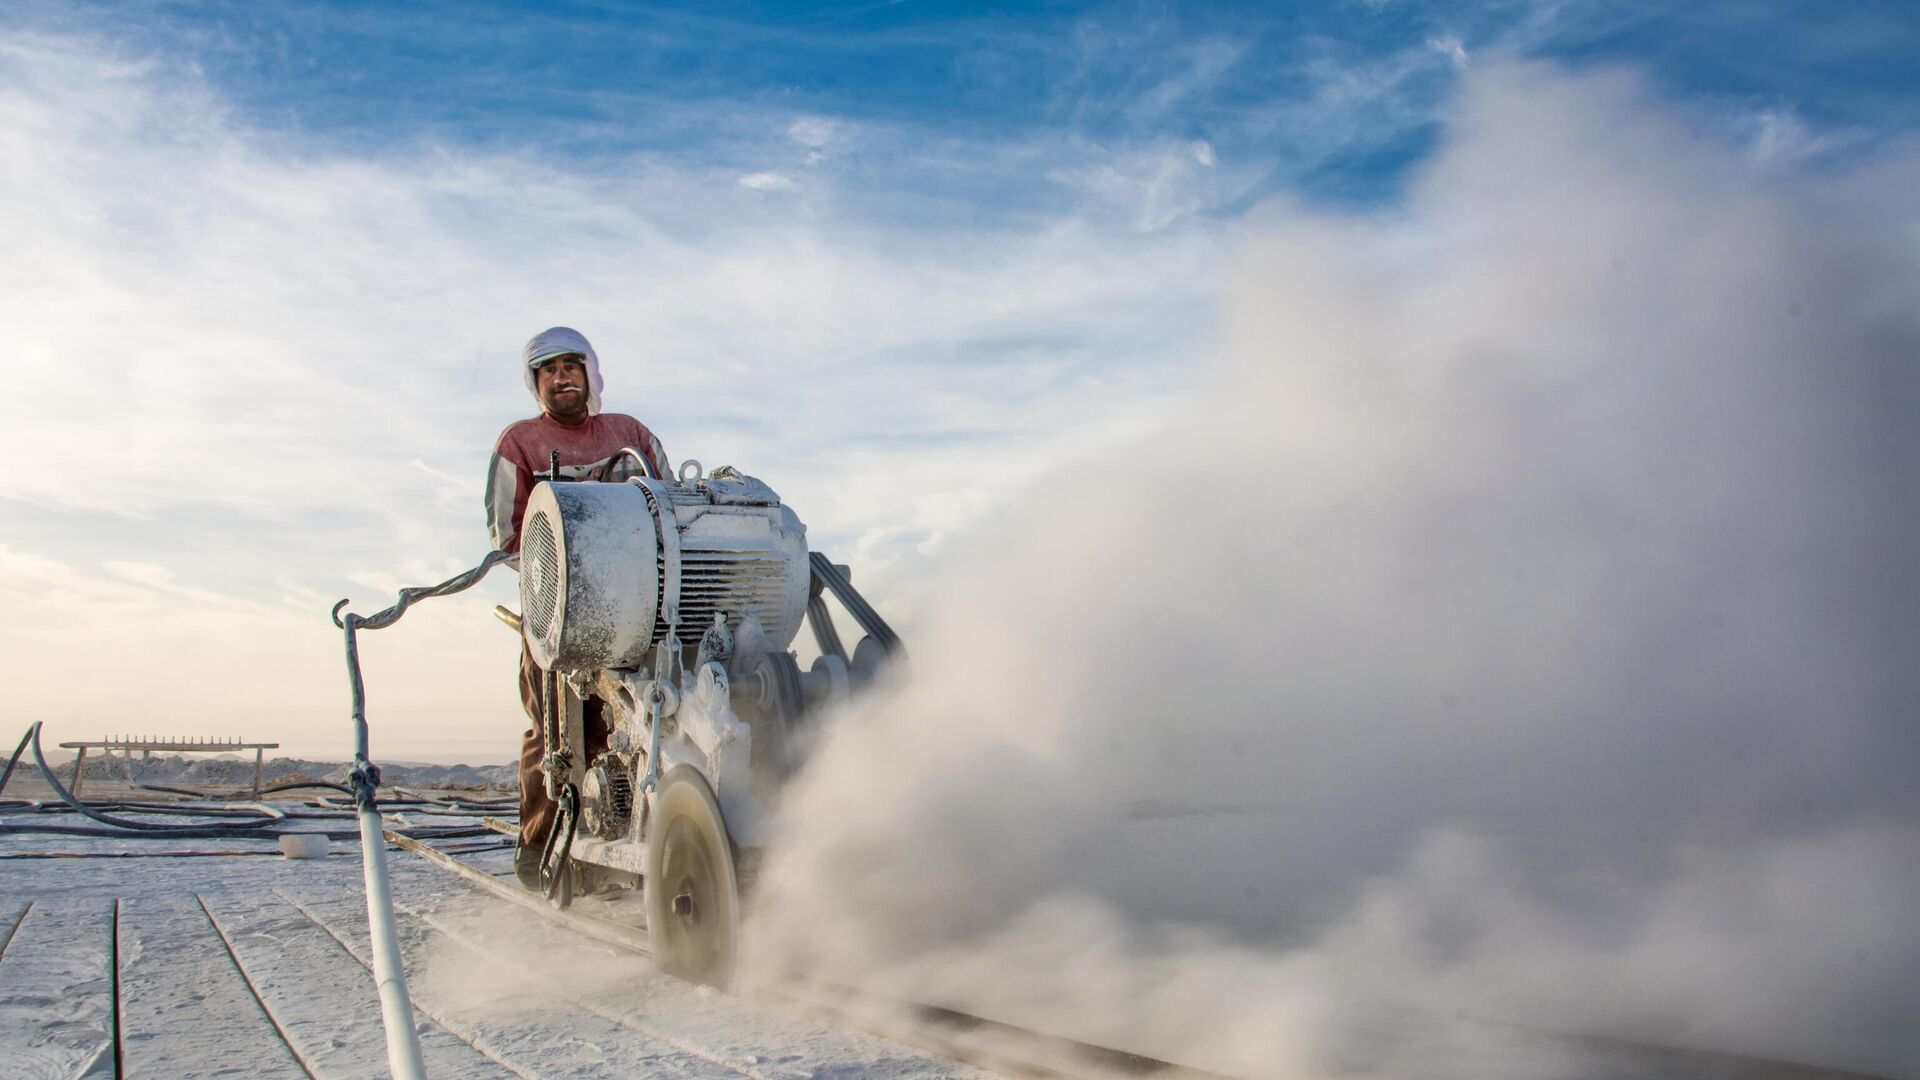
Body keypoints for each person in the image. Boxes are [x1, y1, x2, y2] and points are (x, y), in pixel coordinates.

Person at [486, 326, 669, 889]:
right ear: (535, 383)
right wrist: (561, 582)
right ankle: (542, 846)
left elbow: (669, 509)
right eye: (548, 370)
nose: (560, 377)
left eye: (570, 366)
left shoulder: (629, 434)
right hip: (557, 611)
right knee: (559, 730)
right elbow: (506, 534)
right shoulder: (518, 443)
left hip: (638, 607)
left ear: (590, 373)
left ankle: (635, 835)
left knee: (648, 717)